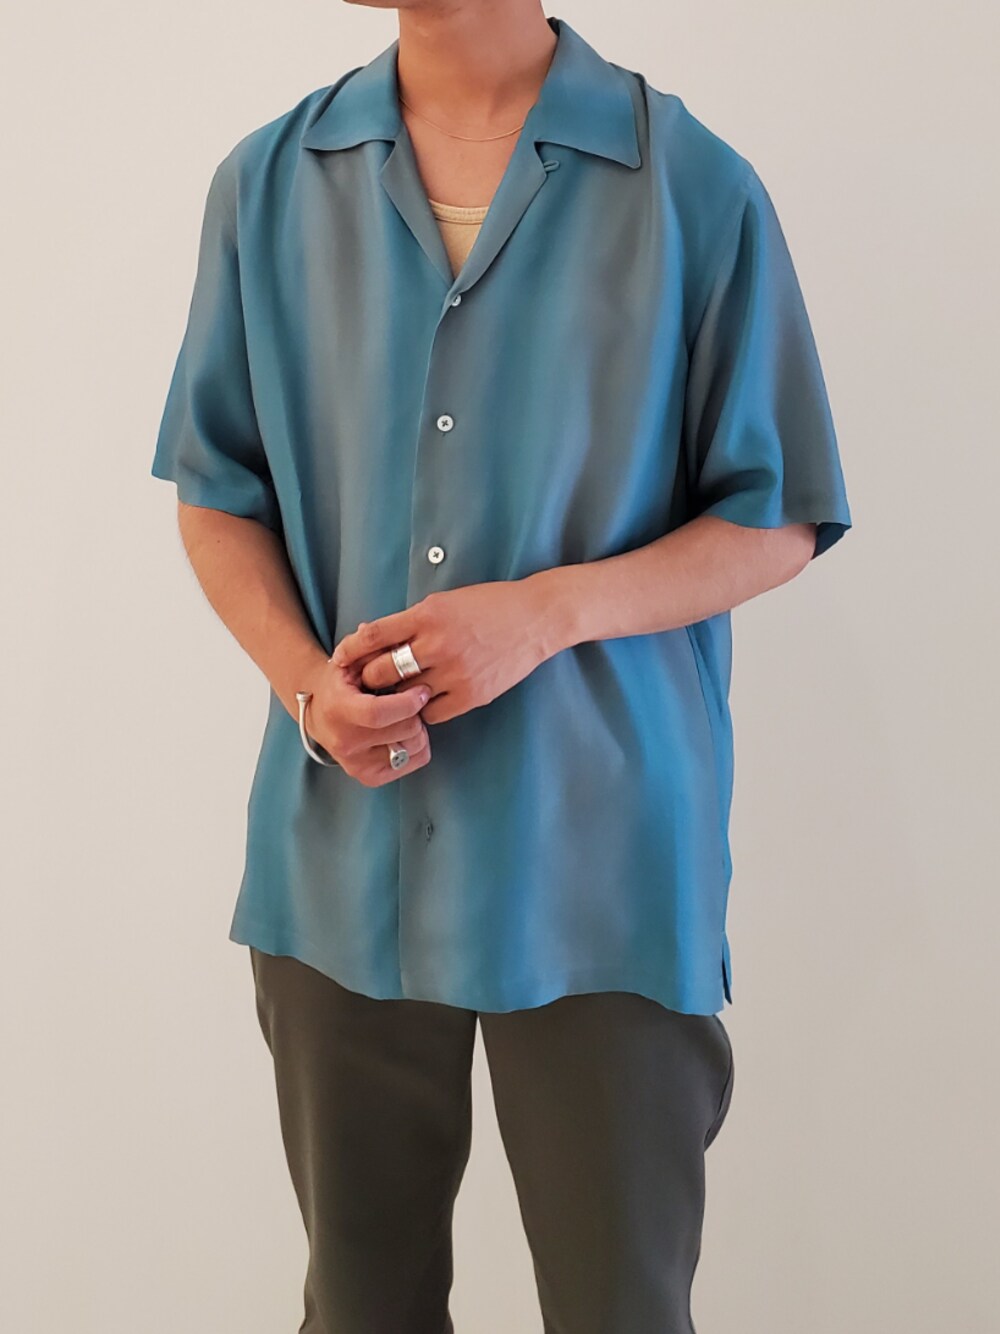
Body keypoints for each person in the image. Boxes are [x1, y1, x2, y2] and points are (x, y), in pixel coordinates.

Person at [151, 3, 852, 1330]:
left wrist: (542, 614)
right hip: (341, 854)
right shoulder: (269, 182)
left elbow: (778, 515)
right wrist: (306, 687)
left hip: (602, 863)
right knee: (360, 1307)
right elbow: (216, 489)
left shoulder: (687, 184)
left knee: (618, 1306)